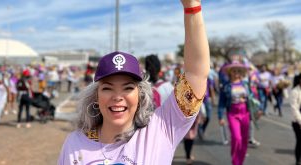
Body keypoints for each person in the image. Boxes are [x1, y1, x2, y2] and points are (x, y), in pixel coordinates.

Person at [58, 0, 210, 164]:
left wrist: (192, 7)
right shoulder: (74, 143)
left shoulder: (161, 130)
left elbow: (196, 73)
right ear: (96, 96)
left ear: (141, 96)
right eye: (107, 88)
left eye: (128, 88)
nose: (117, 96)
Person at [218, 60, 261, 165]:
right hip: (232, 113)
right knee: (237, 138)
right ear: (230, 72)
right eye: (234, 70)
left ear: (241, 72)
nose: (236, 72)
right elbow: (221, 103)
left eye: (238, 70)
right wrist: (220, 117)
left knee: (244, 140)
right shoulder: (226, 86)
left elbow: (252, 98)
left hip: (245, 113)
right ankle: (235, 161)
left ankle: (240, 162)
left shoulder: (245, 84)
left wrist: (257, 110)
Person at [290, 73, 301, 165]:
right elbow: (294, 108)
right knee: (300, 141)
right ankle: (298, 161)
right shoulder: (295, 91)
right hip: (297, 121)